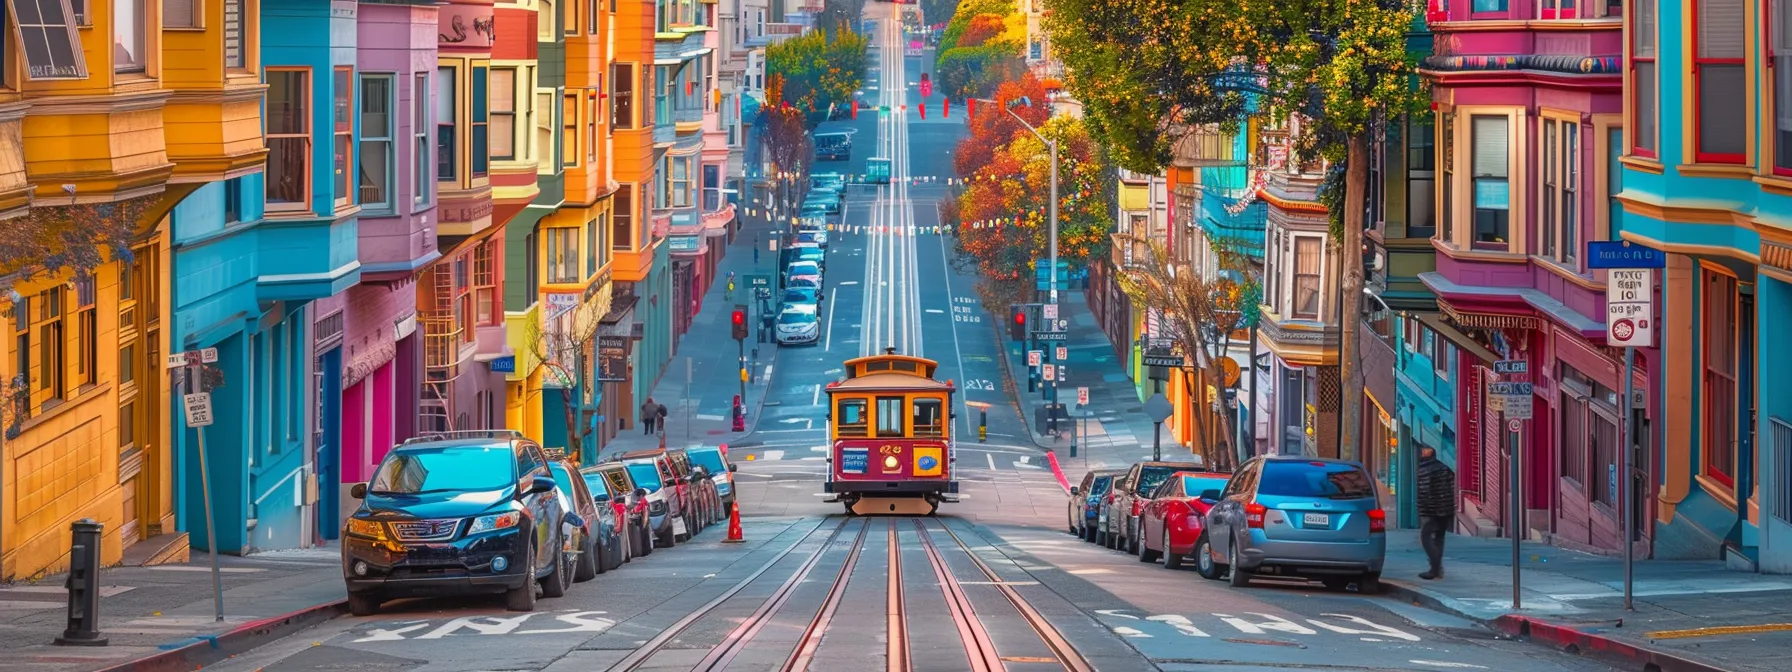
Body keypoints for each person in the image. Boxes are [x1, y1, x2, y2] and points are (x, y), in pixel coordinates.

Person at [1415, 446, 1457, 580]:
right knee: (1439, 537)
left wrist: (1424, 510)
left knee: (1425, 536)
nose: (1422, 452)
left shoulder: (1424, 469)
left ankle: (1435, 568)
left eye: (1424, 450)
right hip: (1447, 509)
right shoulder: (1444, 467)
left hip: (1433, 509)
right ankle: (1437, 569)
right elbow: (1452, 485)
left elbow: (1425, 491)